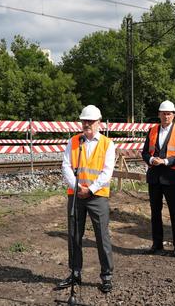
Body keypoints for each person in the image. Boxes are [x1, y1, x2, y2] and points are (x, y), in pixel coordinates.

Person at [57, 104, 115, 293]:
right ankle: (75, 272)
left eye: (90, 121)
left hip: (97, 196)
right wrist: (77, 186)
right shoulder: (74, 141)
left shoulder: (107, 144)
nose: (87, 124)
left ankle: (106, 276)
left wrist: (90, 189)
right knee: (74, 235)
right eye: (84, 121)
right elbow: (65, 165)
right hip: (76, 195)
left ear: (99, 123)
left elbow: (107, 172)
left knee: (102, 236)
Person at [141, 100, 175, 257]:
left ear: (173, 115)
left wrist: (166, 161)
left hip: (171, 177)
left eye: (169, 113)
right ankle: (157, 243)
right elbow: (144, 152)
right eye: (163, 113)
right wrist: (151, 160)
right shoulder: (152, 130)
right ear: (159, 114)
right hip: (154, 177)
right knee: (155, 212)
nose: (166, 116)